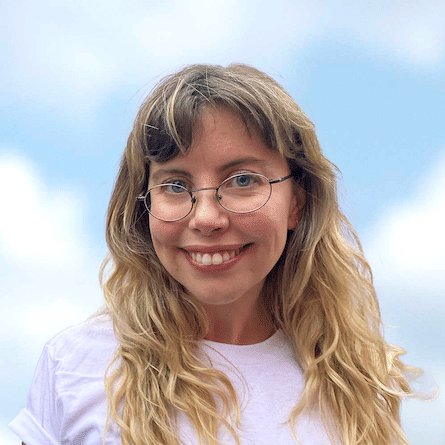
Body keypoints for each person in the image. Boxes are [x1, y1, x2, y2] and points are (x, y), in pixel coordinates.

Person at [9, 63, 431, 445]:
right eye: (175, 185)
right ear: (144, 205)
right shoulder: (75, 367)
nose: (207, 218)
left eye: (243, 180)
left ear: (297, 203)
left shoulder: (359, 384)